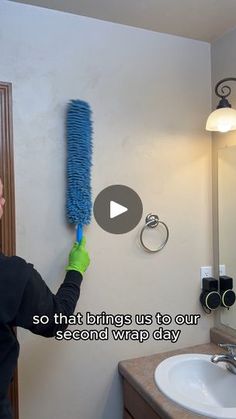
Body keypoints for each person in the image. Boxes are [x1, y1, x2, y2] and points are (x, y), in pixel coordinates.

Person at [0, 178, 90, 419]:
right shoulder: (12, 274)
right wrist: (76, 270)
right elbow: (55, 320)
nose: (4, 200)